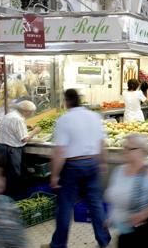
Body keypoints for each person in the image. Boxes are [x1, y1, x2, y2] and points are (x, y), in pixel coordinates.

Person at [44, 89, 111, 248]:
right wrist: (103, 162)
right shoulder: (94, 116)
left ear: (66, 101)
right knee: (95, 204)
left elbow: (59, 151)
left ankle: (58, 244)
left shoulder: (64, 119)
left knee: (65, 206)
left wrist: (54, 175)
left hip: (73, 166)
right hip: (93, 163)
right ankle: (103, 240)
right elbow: (102, 142)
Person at [105, 134, 148, 247]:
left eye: (129, 148)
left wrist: (143, 214)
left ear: (141, 151)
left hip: (144, 236)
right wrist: (111, 218)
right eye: (124, 147)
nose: (124, 151)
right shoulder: (118, 171)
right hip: (124, 234)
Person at [0, 100, 40, 198]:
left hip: (0, 148)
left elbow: (12, 128)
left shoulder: (9, 115)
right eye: (31, 112)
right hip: (10, 151)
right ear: (25, 111)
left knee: (3, 175)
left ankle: (3, 199)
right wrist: (35, 131)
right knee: (14, 177)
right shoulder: (18, 119)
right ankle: (14, 199)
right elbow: (24, 139)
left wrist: (25, 126)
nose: (31, 114)